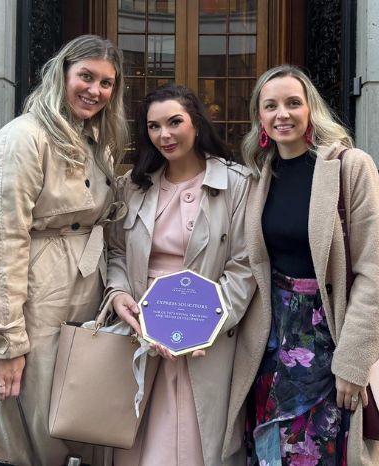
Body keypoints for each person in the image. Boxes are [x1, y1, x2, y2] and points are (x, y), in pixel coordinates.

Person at [0, 34, 129, 466]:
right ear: (63, 74)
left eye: (107, 83)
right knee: (29, 419)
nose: (95, 90)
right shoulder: (21, 139)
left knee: (75, 413)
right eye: (86, 76)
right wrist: (5, 342)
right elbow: (1, 244)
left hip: (87, 284)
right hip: (37, 290)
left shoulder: (98, 142)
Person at [225, 65, 379, 465]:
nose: (282, 113)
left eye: (292, 103)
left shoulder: (351, 166)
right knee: (268, 448)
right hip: (270, 336)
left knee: (317, 449)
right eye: (271, 106)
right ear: (260, 118)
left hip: (329, 333)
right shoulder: (259, 177)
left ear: (310, 110)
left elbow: (373, 271)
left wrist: (355, 361)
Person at [103, 84, 257, 466]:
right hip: (140, 329)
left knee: (196, 442)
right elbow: (117, 251)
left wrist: (204, 324)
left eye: (175, 122)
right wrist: (119, 294)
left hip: (206, 332)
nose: (164, 135)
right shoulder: (132, 186)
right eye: (154, 127)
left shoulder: (237, 184)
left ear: (196, 123)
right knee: (135, 441)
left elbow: (244, 265)